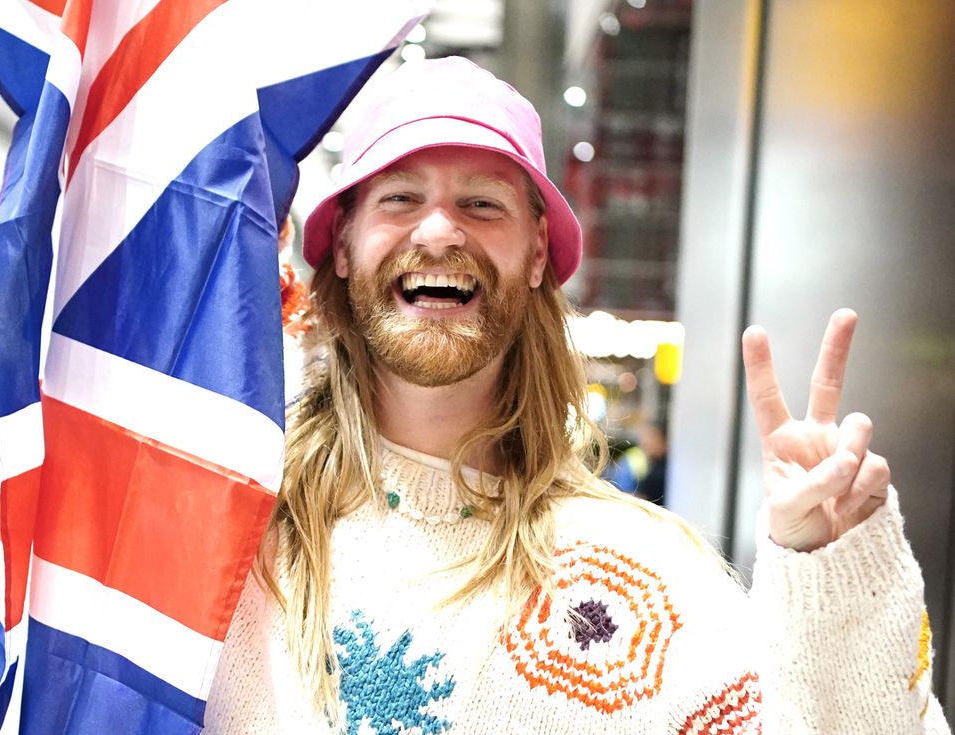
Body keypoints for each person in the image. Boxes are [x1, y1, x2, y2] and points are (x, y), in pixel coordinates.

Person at [203, 57, 950, 734]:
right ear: (341, 244)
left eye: (482, 204)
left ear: (536, 253)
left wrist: (830, 573)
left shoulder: (646, 582)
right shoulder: (224, 531)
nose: (438, 231)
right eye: (400, 197)